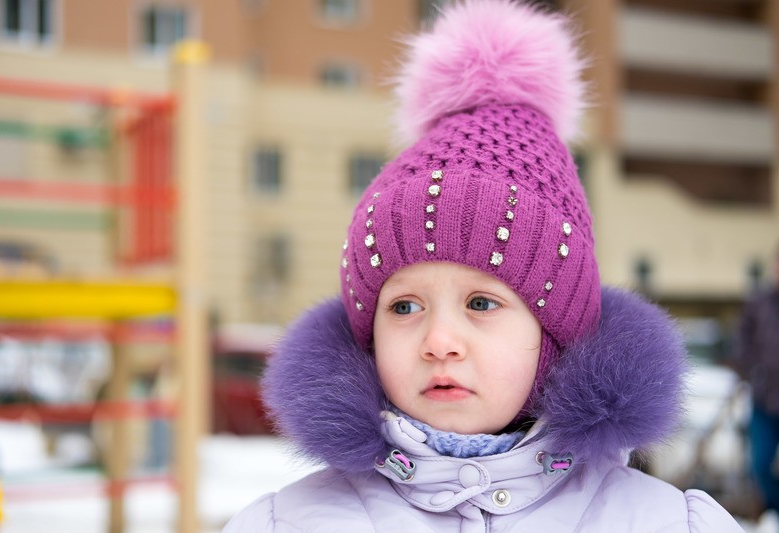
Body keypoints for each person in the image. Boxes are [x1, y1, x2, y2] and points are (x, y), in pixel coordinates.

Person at [224, 1, 744, 531]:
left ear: (555, 334)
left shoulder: (667, 522)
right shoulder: (286, 522)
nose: (439, 340)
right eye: (404, 305)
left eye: (481, 302)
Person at [735, 246, 779, 515]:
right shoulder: (759, 302)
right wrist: (752, 371)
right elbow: (740, 342)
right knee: (760, 464)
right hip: (764, 399)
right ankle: (774, 510)